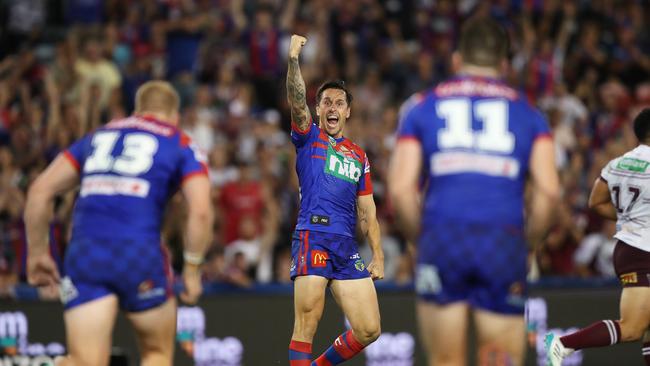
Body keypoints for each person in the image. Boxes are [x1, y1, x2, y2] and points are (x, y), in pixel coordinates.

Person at [388, 18, 560, 366]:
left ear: (456, 60)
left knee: (445, 360)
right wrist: (528, 246)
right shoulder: (528, 113)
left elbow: (401, 189)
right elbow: (550, 192)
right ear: (505, 64)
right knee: (501, 360)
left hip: (443, 237)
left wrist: (421, 242)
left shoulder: (422, 106)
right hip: (502, 240)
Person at [24, 80, 213, 366]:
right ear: (175, 115)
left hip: (86, 253)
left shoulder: (98, 135)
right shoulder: (180, 141)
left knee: (84, 360)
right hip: (138, 251)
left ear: (138, 111)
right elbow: (200, 211)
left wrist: (38, 253)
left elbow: (40, 190)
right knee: (155, 353)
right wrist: (192, 269)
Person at [286, 34, 384, 366]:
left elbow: (367, 208)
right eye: (326, 102)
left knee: (369, 329)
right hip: (312, 236)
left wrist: (379, 253)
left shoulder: (359, 155)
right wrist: (293, 61)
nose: (332, 107)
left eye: (339, 103)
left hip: (346, 247)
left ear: (348, 112)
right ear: (318, 109)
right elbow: (296, 102)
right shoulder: (308, 135)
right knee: (307, 324)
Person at [545, 108, 650, 366]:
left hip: (630, 246)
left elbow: (595, 202)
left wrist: (629, 218)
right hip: (642, 251)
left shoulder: (617, 163)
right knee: (633, 328)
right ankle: (563, 343)